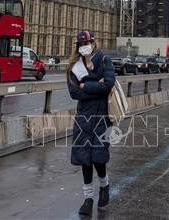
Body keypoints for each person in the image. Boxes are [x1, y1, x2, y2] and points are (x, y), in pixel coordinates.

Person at [66, 30, 115, 216]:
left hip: (102, 116)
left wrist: (86, 85)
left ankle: (104, 186)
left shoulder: (104, 60)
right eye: (80, 44)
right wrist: (97, 86)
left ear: (93, 43)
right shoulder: (74, 66)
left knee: (98, 156)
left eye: (86, 43)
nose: (83, 47)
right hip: (83, 118)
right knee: (84, 157)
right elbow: (74, 93)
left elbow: (108, 84)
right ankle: (88, 198)